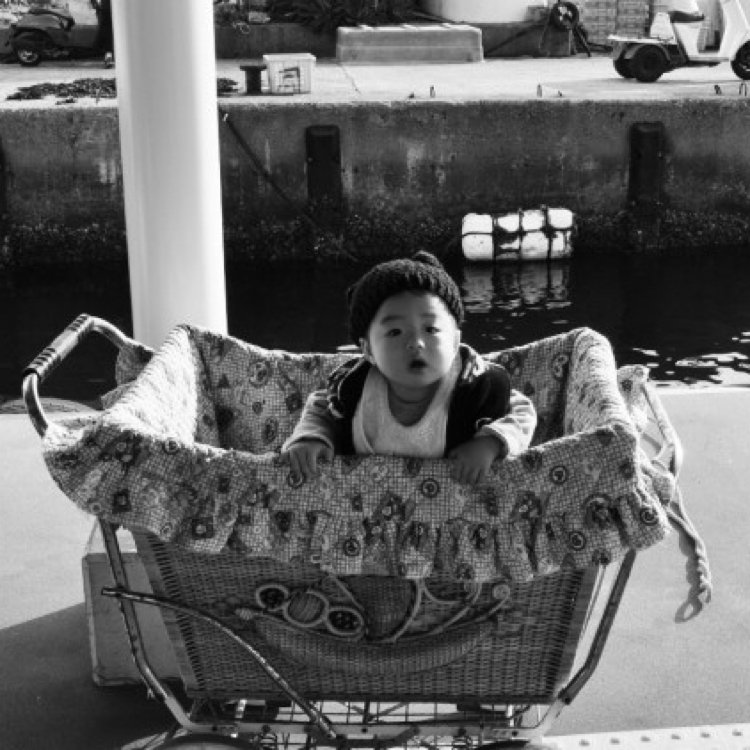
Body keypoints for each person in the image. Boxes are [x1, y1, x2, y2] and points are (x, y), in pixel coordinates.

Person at [280, 251, 537, 485]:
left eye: (431, 329)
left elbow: (522, 410)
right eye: (395, 332)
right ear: (368, 350)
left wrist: (490, 443)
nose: (416, 343)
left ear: (455, 341)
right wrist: (312, 437)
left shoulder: (476, 383)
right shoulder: (352, 385)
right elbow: (321, 405)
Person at [90, 0, 114, 68]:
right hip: (104, 8)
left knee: (106, 31)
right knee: (107, 31)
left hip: (106, 8)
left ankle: (108, 54)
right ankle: (108, 55)